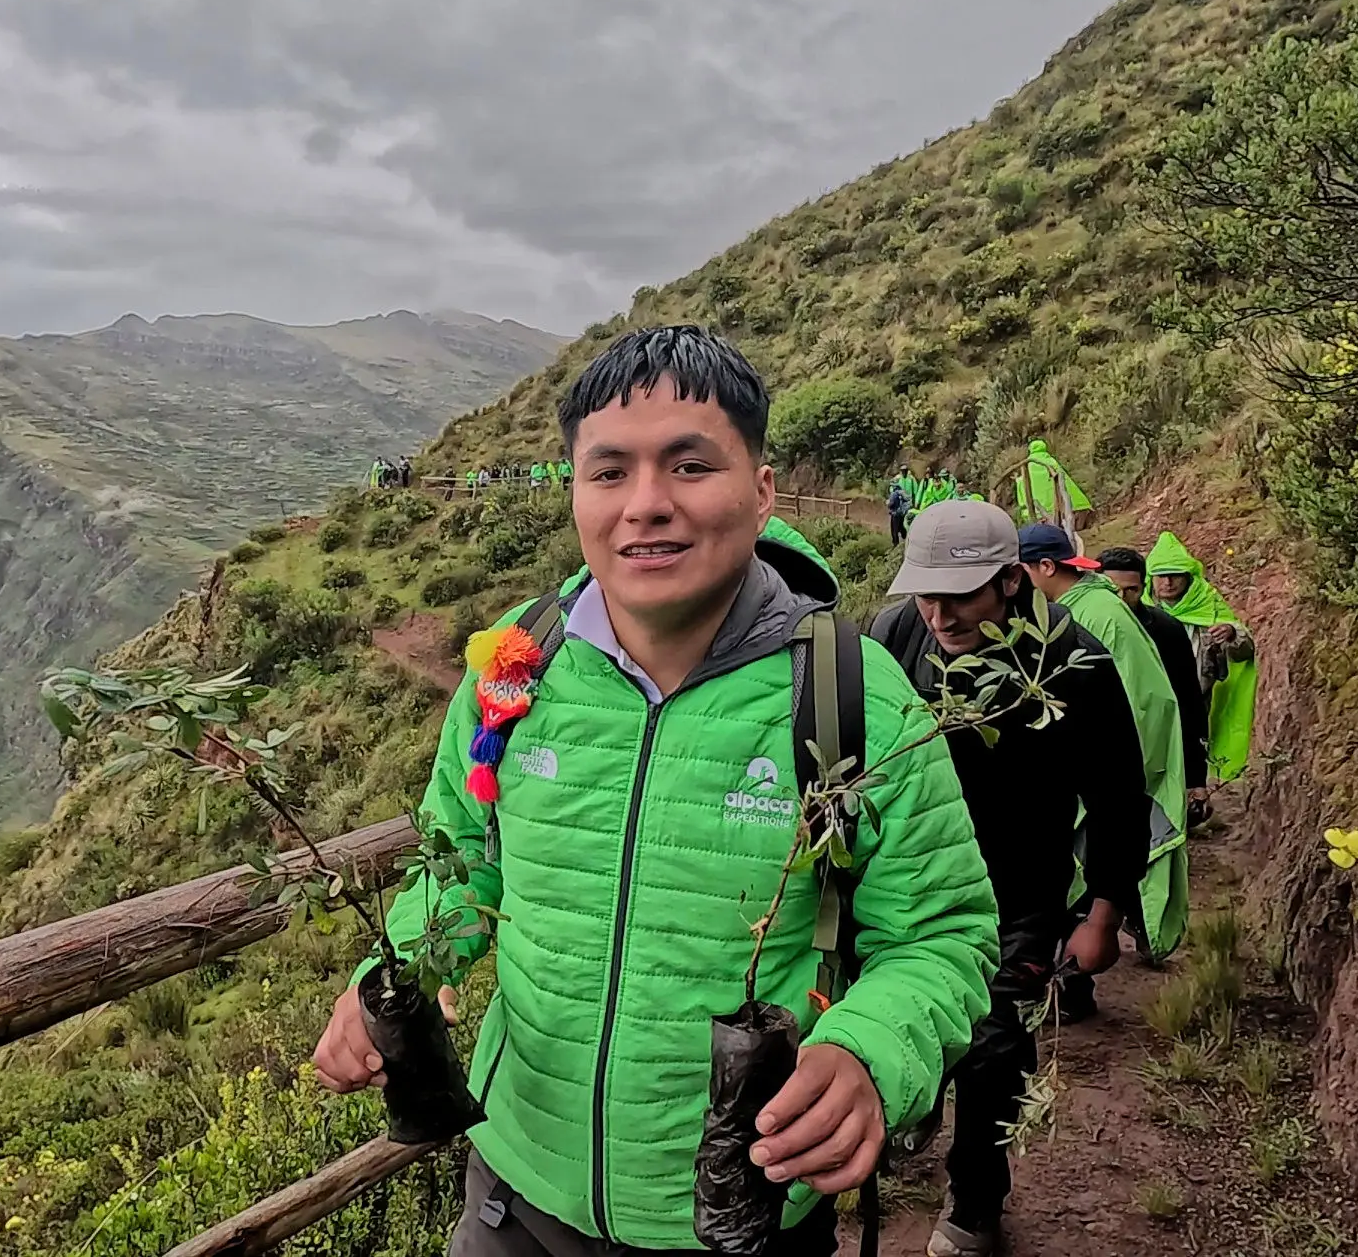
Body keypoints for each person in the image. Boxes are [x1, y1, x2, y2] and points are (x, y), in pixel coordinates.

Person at [313, 325, 998, 1257]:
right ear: (574, 492)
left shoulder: (854, 696)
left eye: (689, 465)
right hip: (514, 1189)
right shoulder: (514, 665)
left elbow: (942, 936)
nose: (646, 505)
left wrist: (869, 1049)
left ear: (761, 489)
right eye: (609, 472)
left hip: (740, 1213)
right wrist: (394, 971)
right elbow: (461, 860)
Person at [867, 501, 1150, 1257]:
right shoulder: (894, 637)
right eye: (925, 596)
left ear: (1010, 581)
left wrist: (1103, 912)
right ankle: (914, 1100)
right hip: (907, 883)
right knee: (899, 1016)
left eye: (959, 596)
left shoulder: (1075, 663)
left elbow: (1118, 793)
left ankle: (975, 1202)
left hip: (1019, 893)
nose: (940, 615)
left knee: (994, 1047)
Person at [1018, 524, 1190, 959]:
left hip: (1117, 766)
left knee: (1101, 866)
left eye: (1019, 572)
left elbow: (1137, 700)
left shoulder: (1093, 615)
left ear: (1045, 567)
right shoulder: (1085, 605)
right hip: (1113, 762)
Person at [1096, 546, 1210, 821]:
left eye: (1131, 590)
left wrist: (1195, 777)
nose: (1121, 599)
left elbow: (1188, 700)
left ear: (1143, 588)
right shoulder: (1078, 624)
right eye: (1113, 590)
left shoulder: (1166, 630)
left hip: (1156, 754)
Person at [1146, 532, 1259, 783]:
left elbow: (1245, 650)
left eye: (1175, 575)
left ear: (1188, 577)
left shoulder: (1209, 605)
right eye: (1161, 575)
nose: (1168, 582)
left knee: (1190, 760)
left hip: (1198, 700)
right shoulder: (1140, 611)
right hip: (1151, 701)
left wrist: (1232, 634)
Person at [1010, 440, 1092, 532]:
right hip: (1060, 507)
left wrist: (1017, 480)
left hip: (1040, 511)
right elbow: (1064, 478)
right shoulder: (1051, 461)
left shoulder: (1028, 465)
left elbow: (1022, 483)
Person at [885, 477, 912, 545]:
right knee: (901, 527)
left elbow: (891, 504)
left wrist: (887, 503)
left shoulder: (894, 494)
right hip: (901, 513)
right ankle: (906, 538)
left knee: (894, 530)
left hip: (895, 514)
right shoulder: (902, 492)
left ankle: (895, 543)